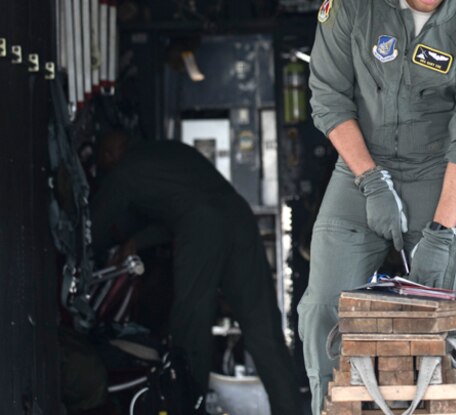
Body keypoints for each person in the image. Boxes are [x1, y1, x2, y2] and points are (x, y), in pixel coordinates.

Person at [297, 0, 456, 415]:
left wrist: (441, 232)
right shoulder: (349, 3)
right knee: (322, 311)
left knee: (454, 330)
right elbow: (328, 99)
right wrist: (370, 180)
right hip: (359, 173)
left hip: (440, 181)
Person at [91, 133, 300, 414]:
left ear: (118, 147)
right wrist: (137, 242)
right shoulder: (168, 151)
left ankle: (188, 406)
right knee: (262, 326)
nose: (106, 161)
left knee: (191, 323)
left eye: (105, 154)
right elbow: (184, 204)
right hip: (239, 216)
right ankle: (291, 409)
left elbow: (96, 228)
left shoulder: (124, 171)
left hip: (201, 226)